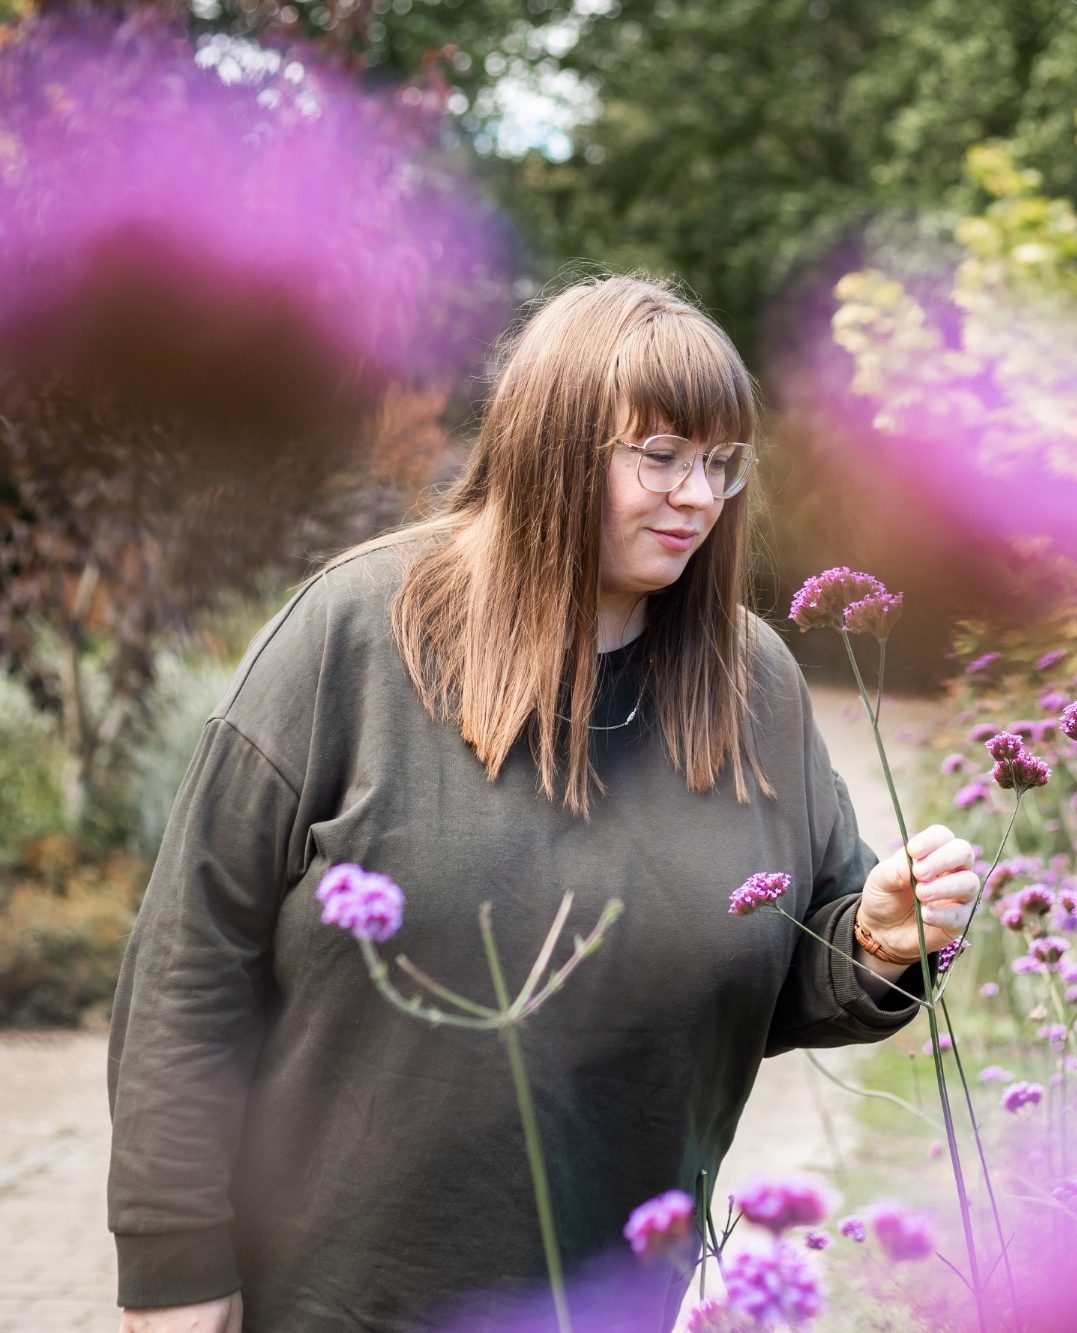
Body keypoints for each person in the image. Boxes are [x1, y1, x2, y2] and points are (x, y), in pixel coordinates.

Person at [108, 273, 981, 1333]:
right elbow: (188, 970)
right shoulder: (352, 635)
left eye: (720, 463)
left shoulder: (750, 684)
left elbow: (789, 960)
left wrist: (878, 939)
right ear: (551, 445)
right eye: (660, 456)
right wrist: (176, 1276)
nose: (700, 496)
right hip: (328, 1303)